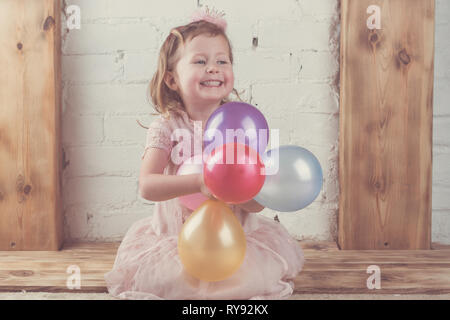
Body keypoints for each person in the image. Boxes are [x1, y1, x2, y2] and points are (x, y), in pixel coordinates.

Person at [104, 8, 304, 300]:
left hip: (233, 239)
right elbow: (147, 185)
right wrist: (200, 182)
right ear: (172, 79)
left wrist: (243, 192)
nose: (213, 68)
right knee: (173, 282)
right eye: (200, 61)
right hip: (178, 239)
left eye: (222, 60)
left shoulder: (245, 125)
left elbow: (258, 204)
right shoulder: (168, 126)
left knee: (242, 281)